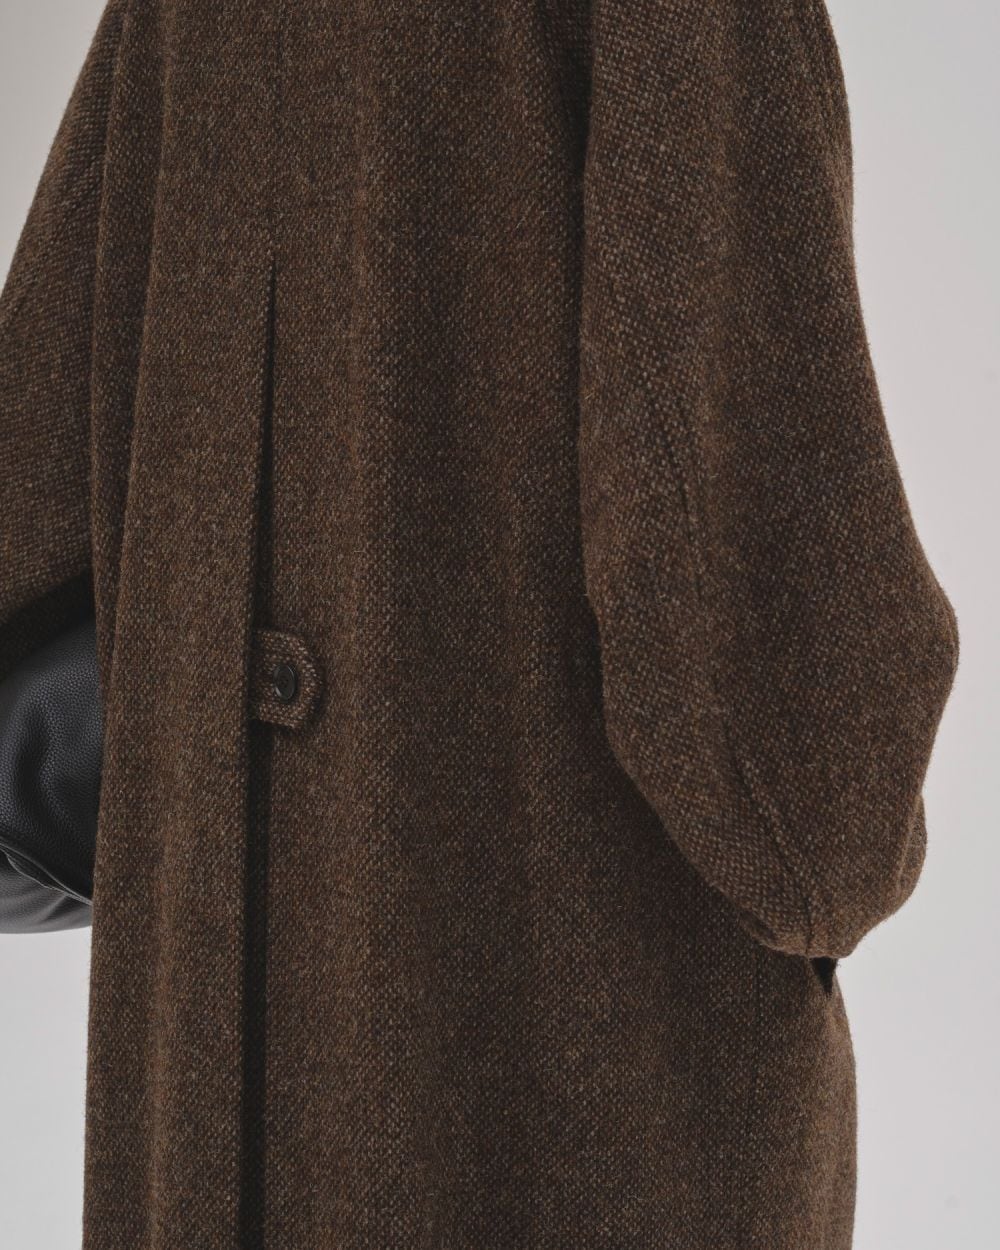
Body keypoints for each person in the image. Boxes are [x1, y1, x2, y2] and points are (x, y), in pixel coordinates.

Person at [0, 2, 958, 1246]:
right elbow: (778, 697)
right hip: (563, 1067)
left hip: (207, 1075)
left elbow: (32, 461)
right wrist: (843, 842)